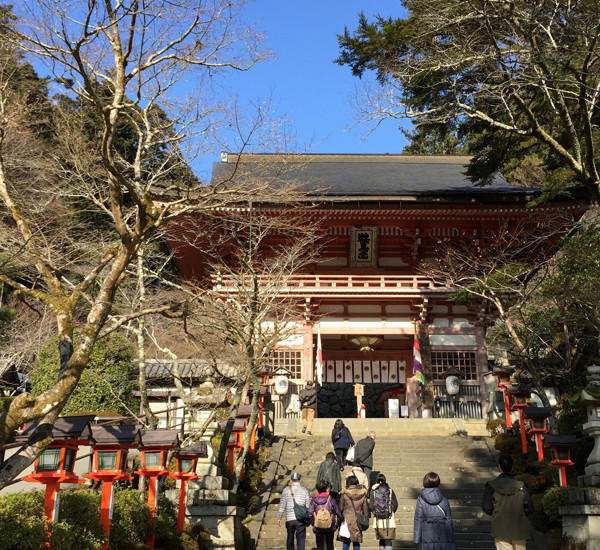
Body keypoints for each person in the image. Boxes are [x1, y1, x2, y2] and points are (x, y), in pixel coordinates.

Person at [482, 454, 534, 550]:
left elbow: (486, 507)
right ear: (512, 467)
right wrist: (521, 513)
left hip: (500, 527)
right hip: (519, 527)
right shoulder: (521, 486)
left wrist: (497, 513)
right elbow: (530, 508)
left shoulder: (492, 486)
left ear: (499, 467)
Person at [413, 471, 456, 550]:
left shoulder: (421, 499)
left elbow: (418, 519)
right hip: (443, 534)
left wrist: (416, 539)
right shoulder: (444, 500)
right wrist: (451, 537)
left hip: (427, 535)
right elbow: (449, 520)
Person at [278, 472, 312, 550]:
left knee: (290, 539)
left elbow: (282, 504)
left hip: (289, 519)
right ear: (300, 481)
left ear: (291, 480)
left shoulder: (286, 490)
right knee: (301, 540)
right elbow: (309, 506)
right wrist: (309, 519)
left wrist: (279, 517)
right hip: (301, 519)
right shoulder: (305, 490)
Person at [308, 479, 343, 550]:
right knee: (330, 544)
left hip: (318, 525)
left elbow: (310, 513)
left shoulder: (314, 500)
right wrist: (341, 519)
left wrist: (313, 522)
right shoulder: (331, 499)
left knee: (320, 544)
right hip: (330, 524)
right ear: (326, 489)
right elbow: (337, 510)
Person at [338, 474, 369, 550]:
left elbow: (340, 508)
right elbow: (366, 510)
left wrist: (338, 519)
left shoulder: (344, 494)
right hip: (357, 520)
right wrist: (366, 520)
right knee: (356, 541)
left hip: (346, 520)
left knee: (346, 541)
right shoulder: (363, 494)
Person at [370, 473, 398, 550]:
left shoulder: (374, 492)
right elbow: (395, 504)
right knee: (388, 539)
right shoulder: (390, 491)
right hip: (388, 517)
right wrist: (390, 511)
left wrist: (376, 512)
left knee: (381, 538)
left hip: (378, 518)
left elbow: (371, 505)